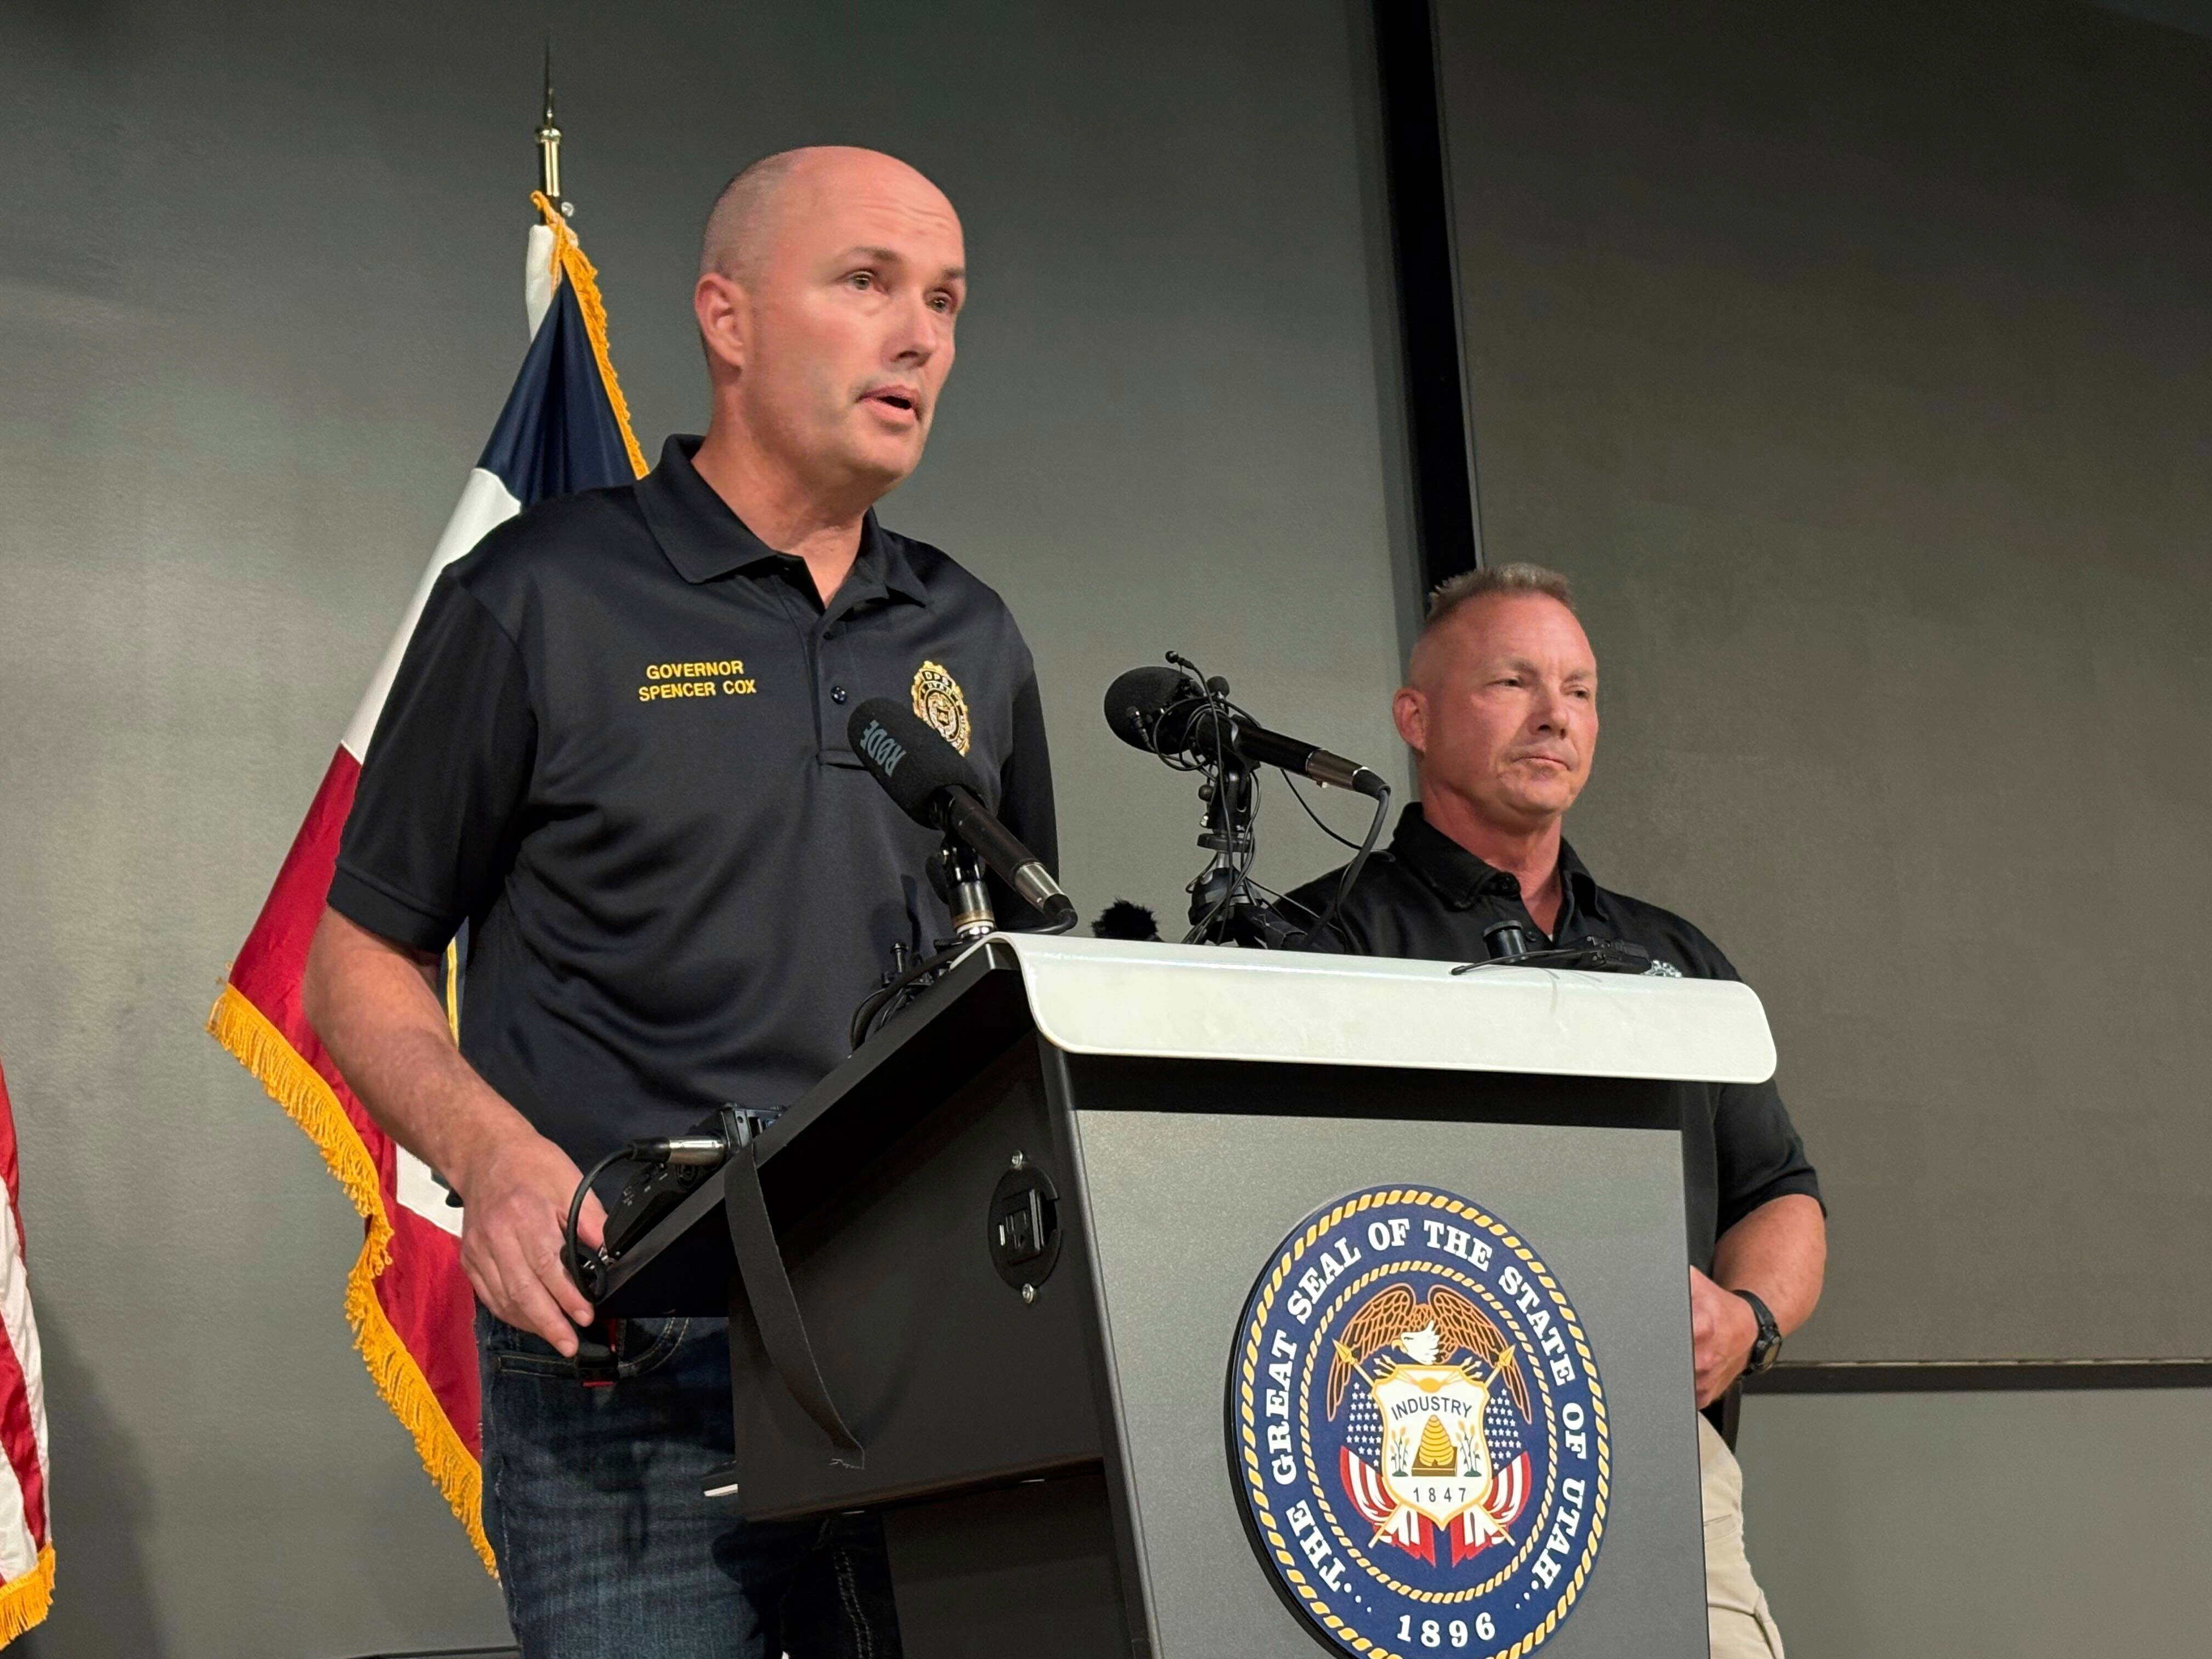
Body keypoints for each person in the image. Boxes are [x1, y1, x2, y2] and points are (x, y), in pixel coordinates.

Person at [302, 146, 1057, 1658]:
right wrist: (498, 1162)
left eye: (948, 302)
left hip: (926, 1354)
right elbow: (356, 964)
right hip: (626, 1363)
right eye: (868, 284)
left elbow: (1015, 985)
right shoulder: (542, 596)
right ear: (728, 317)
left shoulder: (968, 635)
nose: (922, 336)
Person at [1285, 562, 1824, 1659]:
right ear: (1416, 719)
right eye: (1515, 683)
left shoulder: (1674, 961)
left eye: (1579, 690)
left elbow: (1782, 1193)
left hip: (1657, 1464)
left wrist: (1748, 1321)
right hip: (1406, 1475)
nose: (1555, 717)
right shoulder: (1314, 948)